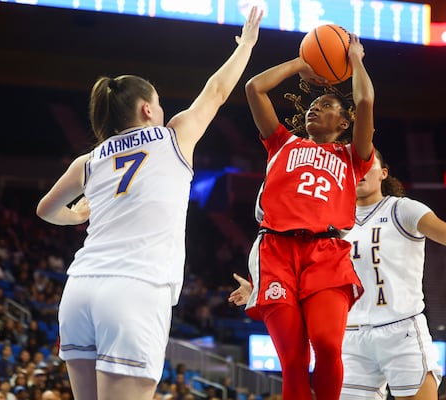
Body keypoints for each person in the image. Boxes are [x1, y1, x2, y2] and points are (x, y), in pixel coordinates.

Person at [35, 7, 262, 400]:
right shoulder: (173, 136)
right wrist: (247, 44)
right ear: (147, 110)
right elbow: (218, 91)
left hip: (79, 290)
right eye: (157, 103)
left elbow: (45, 210)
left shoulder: (88, 162)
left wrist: (77, 214)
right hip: (134, 290)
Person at [239, 31, 376, 399]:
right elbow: (254, 88)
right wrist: (303, 64)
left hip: (326, 254)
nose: (316, 107)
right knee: (294, 360)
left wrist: (357, 59)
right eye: (315, 104)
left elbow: (365, 100)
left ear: (343, 123)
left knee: (328, 345)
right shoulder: (281, 143)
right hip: (276, 252)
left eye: (328, 104)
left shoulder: (352, 158)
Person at [339, 149, 446, 400]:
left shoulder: (403, 209)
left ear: (383, 173)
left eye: (366, 164)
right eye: (351, 167)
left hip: (401, 331)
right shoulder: (333, 222)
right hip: (351, 334)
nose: (358, 171)